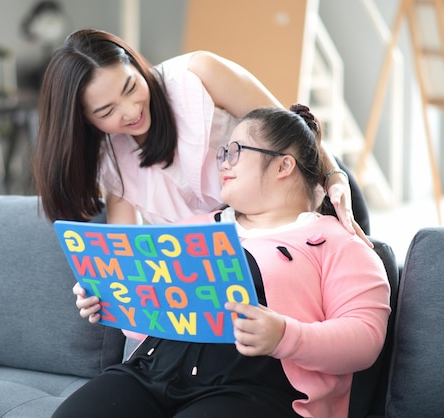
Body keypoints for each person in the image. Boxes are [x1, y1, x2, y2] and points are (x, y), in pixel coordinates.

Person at [54, 104, 391, 418]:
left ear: (283, 165)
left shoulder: (338, 243)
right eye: (223, 153)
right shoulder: (190, 230)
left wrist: (285, 335)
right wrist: (112, 296)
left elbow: (365, 339)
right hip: (148, 371)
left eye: (236, 152)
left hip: (251, 390)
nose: (224, 162)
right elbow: (149, 319)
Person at [32, 28, 371, 244]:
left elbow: (292, 128)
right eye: (106, 112)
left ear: (137, 66)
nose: (131, 111)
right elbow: (126, 252)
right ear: (84, 122)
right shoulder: (110, 162)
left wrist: (334, 177)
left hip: (311, 201)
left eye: (131, 87)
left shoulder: (198, 76)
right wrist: (102, 292)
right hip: (233, 257)